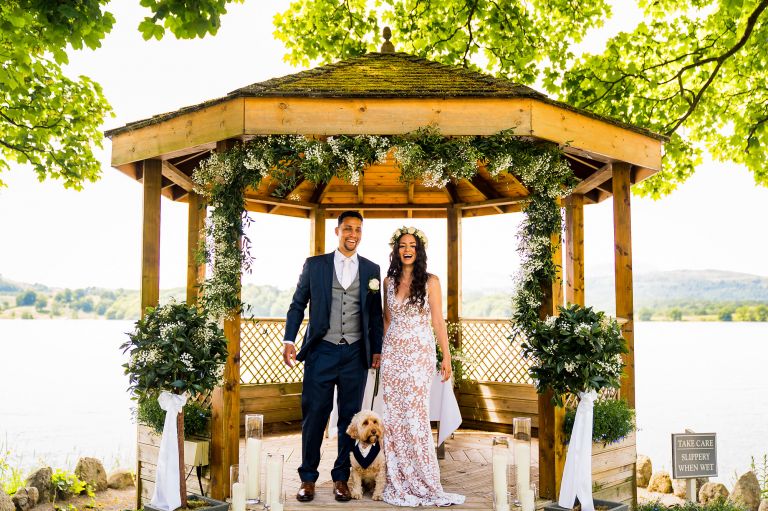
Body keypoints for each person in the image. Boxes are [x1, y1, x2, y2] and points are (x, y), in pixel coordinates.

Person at [282, 211, 384, 503]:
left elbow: (375, 316)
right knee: (315, 416)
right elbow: (297, 304)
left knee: (349, 422)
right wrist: (289, 339)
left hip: (355, 354)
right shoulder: (315, 266)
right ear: (337, 231)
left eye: (358, 230)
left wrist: (375, 349)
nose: (353, 234)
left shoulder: (371, 269)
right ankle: (308, 478)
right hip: (321, 351)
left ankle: (341, 477)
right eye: (348, 229)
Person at [379, 227, 465, 506]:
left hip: (419, 356)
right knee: (393, 418)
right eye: (402, 245)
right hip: (393, 355)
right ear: (396, 250)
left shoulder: (431, 281)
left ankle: (425, 480)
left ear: (419, 251)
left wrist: (447, 356)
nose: (407, 249)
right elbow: (387, 320)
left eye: (412, 245)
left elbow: (438, 322)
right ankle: (398, 478)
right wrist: (382, 353)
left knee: (416, 417)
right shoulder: (387, 282)